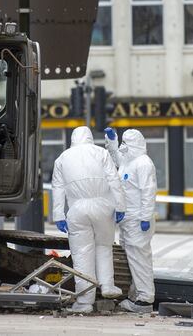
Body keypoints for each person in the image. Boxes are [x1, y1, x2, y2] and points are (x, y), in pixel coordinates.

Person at [51, 126, 126, 313]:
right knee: (103, 247)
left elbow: (58, 188)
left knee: (82, 254)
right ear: (90, 137)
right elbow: (114, 180)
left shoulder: (62, 158)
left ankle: (84, 302)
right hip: (103, 206)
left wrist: (58, 215)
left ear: (73, 138)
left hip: (77, 209)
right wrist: (121, 206)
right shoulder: (101, 153)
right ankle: (107, 286)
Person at [104, 128, 157, 314]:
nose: (123, 147)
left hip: (138, 220)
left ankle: (145, 300)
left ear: (135, 144)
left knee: (139, 259)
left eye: (126, 143)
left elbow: (148, 191)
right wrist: (112, 141)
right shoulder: (129, 162)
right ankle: (135, 296)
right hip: (128, 219)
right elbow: (117, 158)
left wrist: (145, 217)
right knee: (131, 258)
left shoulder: (143, 163)